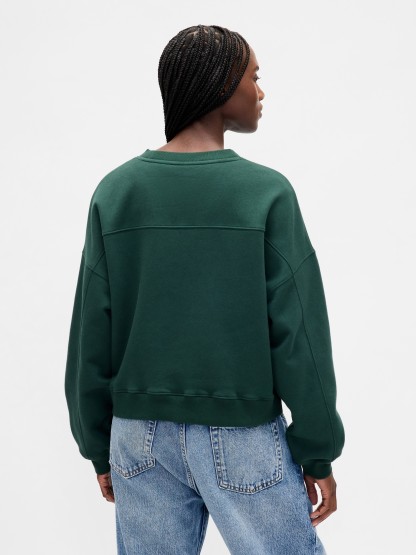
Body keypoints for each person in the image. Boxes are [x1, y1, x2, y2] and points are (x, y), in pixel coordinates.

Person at [64, 24, 345, 554]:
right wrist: (317, 449)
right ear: (220, 85)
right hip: (242, 435)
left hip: (137, 439)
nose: (260, 91)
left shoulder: (116, 192)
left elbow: (90, 336)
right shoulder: (265, 193)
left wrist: (98, 444)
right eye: (253, 77)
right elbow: (300, 338)